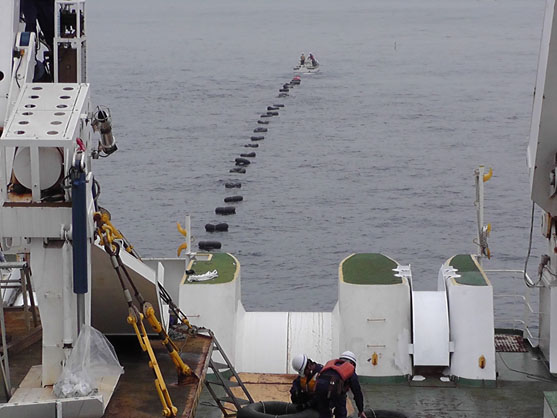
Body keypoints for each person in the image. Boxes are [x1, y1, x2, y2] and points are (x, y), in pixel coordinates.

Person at [313, 351, 366, 418]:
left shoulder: (330, 366)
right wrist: (361, 410)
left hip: (319, 389)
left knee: (324, 413)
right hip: (334, 391)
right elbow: (357, 393)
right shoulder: (350, 370)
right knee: (341, 410)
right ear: (352, 363)